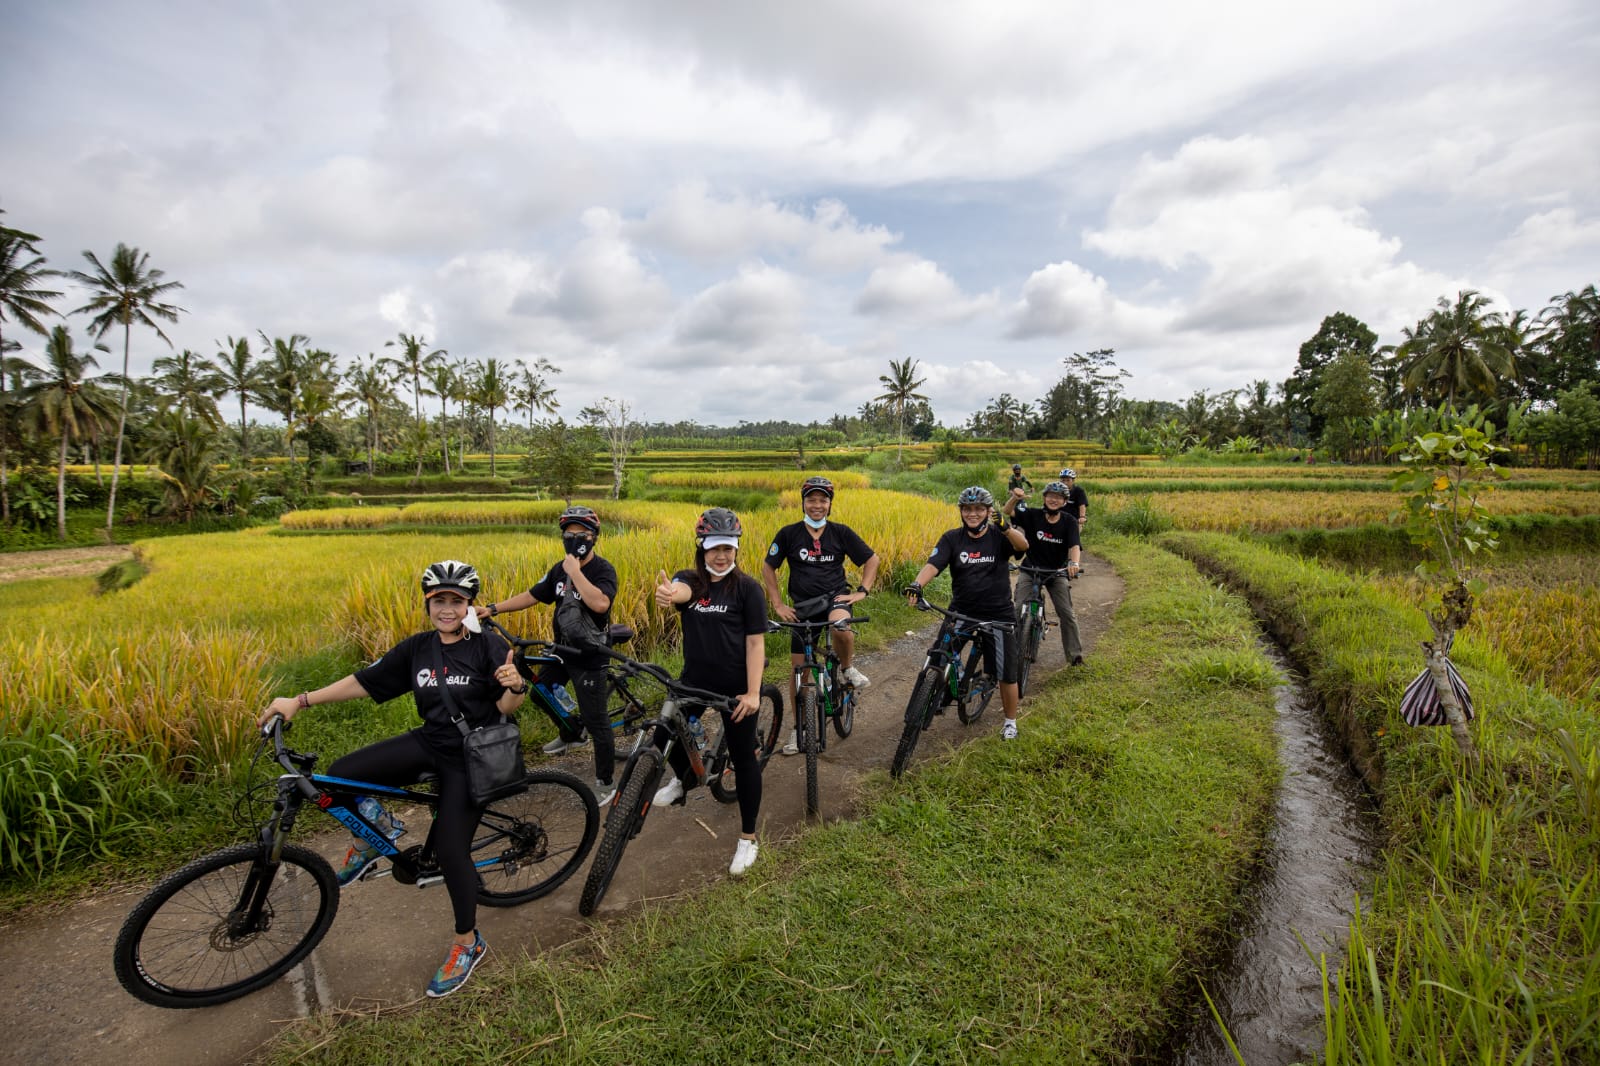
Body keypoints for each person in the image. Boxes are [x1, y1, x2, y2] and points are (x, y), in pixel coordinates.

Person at [257, 560, 524, 998]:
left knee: (454, 853)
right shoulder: (417, 648)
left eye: (456, 601)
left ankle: (467, 943)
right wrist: (300, 701)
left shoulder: (487, 647)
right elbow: (364, 682)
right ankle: (377, 832)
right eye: (440, 600)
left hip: (471, 756)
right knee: (339, 775)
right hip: (429, 742)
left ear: (468, 605)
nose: (447, 608)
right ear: (428, 604)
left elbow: (507, 710)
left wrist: (513, 686)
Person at [652, 507, 769, 876]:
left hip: (736, 687)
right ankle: (685, 780)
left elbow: (755, 644)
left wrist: (752, 694)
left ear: (737, 548)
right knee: (662, 735)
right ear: (701, 547)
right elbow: (681, 591)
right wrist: (671, 594)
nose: (722, 556)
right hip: (694, 680)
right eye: (715, 548)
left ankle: (748, 839)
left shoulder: (748, 589)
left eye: (729, 548)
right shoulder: (691, 580)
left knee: (744, 757)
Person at [476, 506, 618, 805]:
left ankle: (605, 782)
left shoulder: (602, 570)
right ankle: (571, 733)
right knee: (540, 692)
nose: (576, 539)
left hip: (590, 654)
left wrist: (576, 572)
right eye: (570, 534)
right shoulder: (557, 569)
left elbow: (601, 604)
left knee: (597, 722)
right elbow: (533, 595)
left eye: (583, 534)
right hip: (562, 649)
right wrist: (493, 608)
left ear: (594, 538)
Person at [761, 475, 881, 756]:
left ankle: (847, 667)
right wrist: (778, 604)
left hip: (834, 598)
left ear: (830, 503)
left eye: (823, 500)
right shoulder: (788, 534)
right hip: (802, 606)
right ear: (803, 502)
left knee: (841, 625)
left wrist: (862, 590)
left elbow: (871, 559)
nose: (817, 505)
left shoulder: (840, 532)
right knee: (798, 670)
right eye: (811, 499)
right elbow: (769, 567)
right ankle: (799, 728)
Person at [904, 486, 1030, 739]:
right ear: (961, 512)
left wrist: (1005, 527)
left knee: (1006, 672)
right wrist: (917, 585)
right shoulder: (952, 538)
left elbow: (1023, 546)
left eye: (978, 509)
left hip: (998, 614)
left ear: (988, 511)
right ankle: (941, 692)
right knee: (939, 656)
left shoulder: (999, 535)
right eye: (967, 509)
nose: (973, 514)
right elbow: (934, 564)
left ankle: (1010, 723)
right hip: (962, 610)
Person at [1003, 480, 1084, 665]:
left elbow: (1074, 546)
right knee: (1017, 608)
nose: (1053, 500)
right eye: (1050, 496)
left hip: (1056, 572)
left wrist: (1074, 563)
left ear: (1064, 502)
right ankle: (1011, 650)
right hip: (1030, 568)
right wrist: (1015, 498)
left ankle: (1075, 656)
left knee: (1066, 613)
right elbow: (1008, 512)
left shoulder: (1069, 521)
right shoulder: (1033, 515)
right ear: (1044, 498)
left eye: (1058, 497)